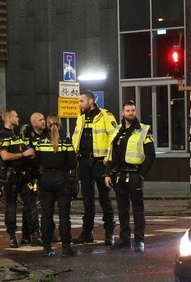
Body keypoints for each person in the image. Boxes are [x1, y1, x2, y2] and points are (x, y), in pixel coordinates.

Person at [104, 101, 155, 253]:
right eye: (127, 110)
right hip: (119, 174)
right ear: (122, 113)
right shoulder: (118, 130)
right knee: (122, 209)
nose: (130, 113)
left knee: (137, 209)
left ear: (136, 112)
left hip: (134, 174)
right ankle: (124, 239)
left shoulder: (143, 130)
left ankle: (139, 240)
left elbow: (151, 155)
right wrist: (107, 174)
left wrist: (141, 174)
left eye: (133, 110)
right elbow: (111, 154)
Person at [72, 91, 117, 246]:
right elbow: (76, 138)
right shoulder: (81, 117)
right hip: (85, 163)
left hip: (100, 163)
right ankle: (87, 232)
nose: (79, 104)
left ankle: (109, 232)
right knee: (87, 199)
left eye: (81, 101)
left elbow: (114, 139)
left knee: (105, 199)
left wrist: (109, 159)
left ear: (90, 101)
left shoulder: (105, 116)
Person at [33, 114, 78, 258]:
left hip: (46, 179)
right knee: (64, 216)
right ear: (60, 125)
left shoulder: (40, 142)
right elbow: (73, 164)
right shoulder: (65, 142)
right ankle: (66, 248)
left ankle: (47, 247)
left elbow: (36, 162)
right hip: (62, 179)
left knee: (47, 215)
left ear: (47, 124)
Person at [0, 109, 39, 248]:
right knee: (11, 206)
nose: (18, 118)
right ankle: (12, 235)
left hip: (25, 175)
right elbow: (5, 156)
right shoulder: (2, 135)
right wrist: (23, 154)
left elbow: (25, 149)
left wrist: (30, 154)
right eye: (16, 116)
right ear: (9, 118)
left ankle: (34, 234)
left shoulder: (18, 134)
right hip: (11, 177)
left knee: (31, 203)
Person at [19, 112, 46, 245]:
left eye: (44, 119)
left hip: (42, 175)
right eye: (40, 120)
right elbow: (30, 154)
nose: (43, 121)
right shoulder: (28, 136)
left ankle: (27, 234)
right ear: (33, 123)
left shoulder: (46, 135)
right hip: (30, 175)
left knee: (31, 205)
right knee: (31, 204)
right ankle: (33, 234)